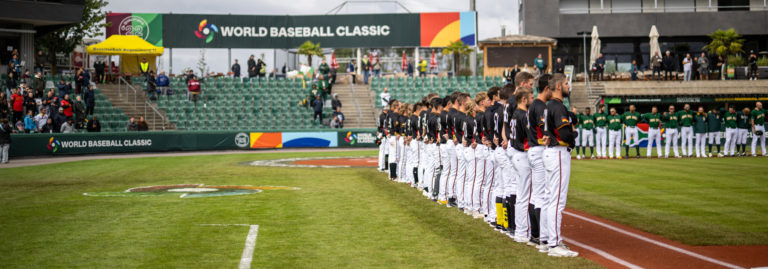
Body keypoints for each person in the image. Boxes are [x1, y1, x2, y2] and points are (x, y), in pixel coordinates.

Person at [541, 73, 578, 257]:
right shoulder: (557, 106)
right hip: (558, 153)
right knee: (556, 200)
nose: (568, 86)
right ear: (557, 86)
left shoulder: (550, 106)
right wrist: (575, 136)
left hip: (550, 153)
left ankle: (548, 240)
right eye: (565, 83)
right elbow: (565, 134)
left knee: (549, 199)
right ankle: (554, 244)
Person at [526, 73, 551, 249]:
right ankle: (543, 237)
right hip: (539, 148)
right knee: (541, 195)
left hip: (532, 150)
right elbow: (545, 130)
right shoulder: (540, 106)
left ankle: (535, 234)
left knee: (535, 195)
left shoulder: (533, 105)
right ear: (547, 88)